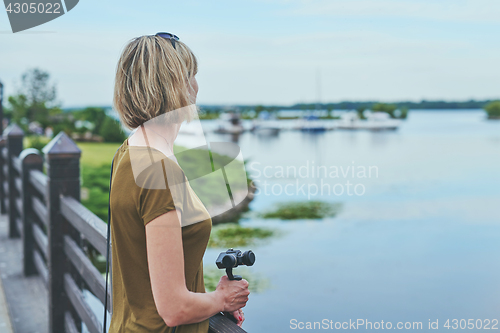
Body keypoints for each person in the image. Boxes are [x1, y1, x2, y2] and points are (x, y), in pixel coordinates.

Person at [109, 33, 250, 333]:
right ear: (173, 85)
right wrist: (222, 299)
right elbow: (174, 309)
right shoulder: (159, 171)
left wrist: (208, 302)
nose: (196, 84)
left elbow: (152, 270)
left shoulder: (129, 151)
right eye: (190, 75)